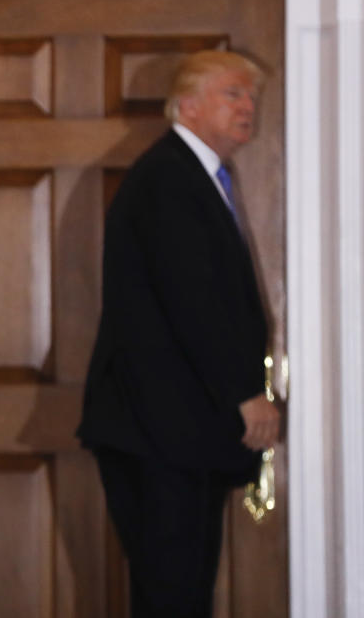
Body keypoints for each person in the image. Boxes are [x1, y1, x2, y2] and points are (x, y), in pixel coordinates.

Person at [78, 50, 280, 618]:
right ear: (187, 106)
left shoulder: (192, 175)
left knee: (178, 595)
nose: (249, 106)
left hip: (174, 431)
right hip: (160, 434)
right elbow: (195, 303)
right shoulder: (170, 179)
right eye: (233, 94)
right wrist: (245, 391)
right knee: (173, 597)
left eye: (252, 96)